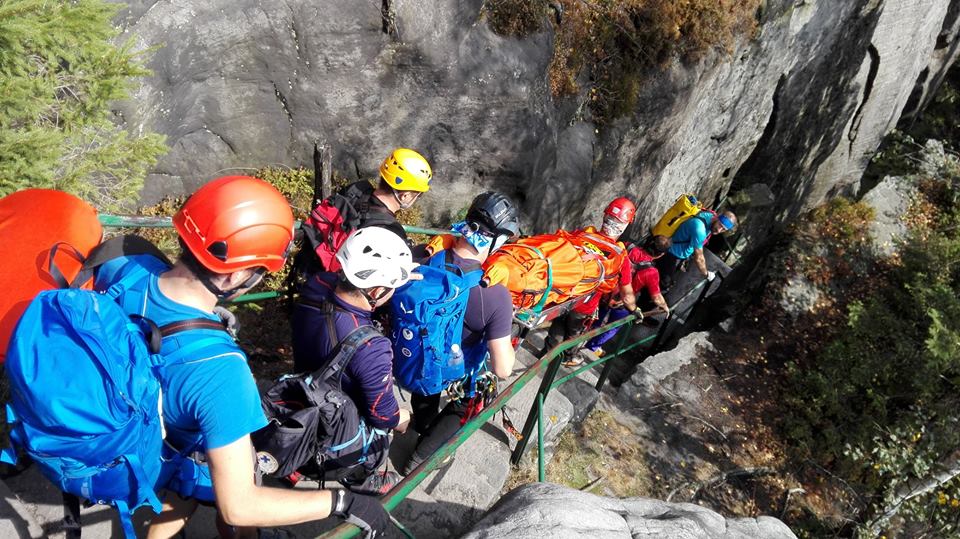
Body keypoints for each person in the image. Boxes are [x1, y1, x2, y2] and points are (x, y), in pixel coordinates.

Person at [92, 176, 388, 539]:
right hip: (166, 442)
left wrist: (206, 317)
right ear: (239, 274)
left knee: (190, 480)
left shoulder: (127, 267)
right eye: (261, 272)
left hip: (122, 427)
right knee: (232, 477)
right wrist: (345, 502)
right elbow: (240, 504)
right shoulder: (222, 375)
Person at [290, 227, 420, 494]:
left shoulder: (318, 284)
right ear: (377, 289)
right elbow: (383, 416)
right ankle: (362, 478)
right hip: (336, 416)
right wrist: (401, 417)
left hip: (303, 384)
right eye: (393, 287)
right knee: (386, 431)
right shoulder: (372, 347)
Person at [401, 192, 520, 474]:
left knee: (427, 375)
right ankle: (421, 459)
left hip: (411, 357)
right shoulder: (495, 296)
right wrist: (505, 324)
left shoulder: (425, 256)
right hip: (452, 368)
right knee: (474, 396)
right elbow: (503, 368)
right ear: (498, 239)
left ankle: (423, 422)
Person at [542, 197, 638, 367]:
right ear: (625, 225)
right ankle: (567, 357)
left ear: (605, 216)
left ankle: (547, 354)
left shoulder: (582, 235)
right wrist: (635, 310)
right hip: (585, 304)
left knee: (559, 322)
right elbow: (627, 294)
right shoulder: (620, 256)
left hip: (563, 294)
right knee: (574, 332)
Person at [582, 234, 672, 356]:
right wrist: (665, 306)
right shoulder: (651, 272)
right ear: (661, 255)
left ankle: (583, 335)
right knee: (614, 325)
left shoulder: (627, 246)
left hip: (603, 289)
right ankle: (593, 346)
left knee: (596, 315)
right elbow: (656, 297)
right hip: (621, 301)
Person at [656, 209, 737, 290]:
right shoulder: (700, 229)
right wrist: (706, 274)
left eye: (723, 229)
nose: (719, 230)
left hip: (678, 254)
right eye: (720, 225)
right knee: (663, 285)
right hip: (670, 254)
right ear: (717, 217)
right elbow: (699, 258)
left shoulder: (709, 216)